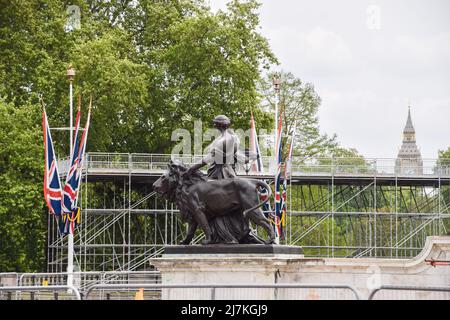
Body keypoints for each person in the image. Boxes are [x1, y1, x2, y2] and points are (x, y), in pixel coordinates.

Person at [185, 115, 252, 179]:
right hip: (229, 172)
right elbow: (238, 156)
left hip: (219, 174)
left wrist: (191, 169)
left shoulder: (223, 140)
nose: (214, 125)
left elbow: (207, 159)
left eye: (215, 123)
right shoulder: (231, 138)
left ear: (219, 125)